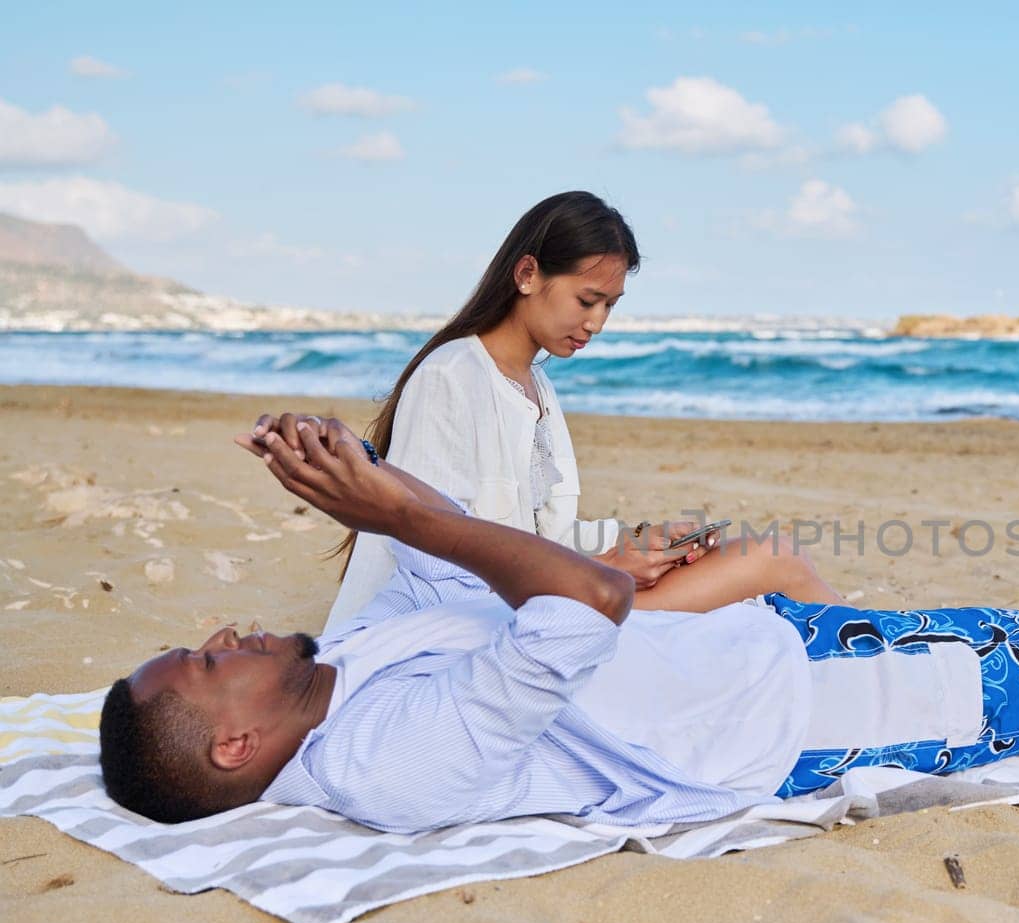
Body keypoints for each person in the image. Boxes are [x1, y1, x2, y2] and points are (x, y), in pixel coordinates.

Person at [99, 413, 1019, 833]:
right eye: (206, 664)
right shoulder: (383, 761)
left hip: (745, 655)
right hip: (771, 715)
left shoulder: (347, 666)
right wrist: (401, 510)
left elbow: (491, 582)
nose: (225, 633)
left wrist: (373, 487)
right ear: (234, 747)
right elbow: (576, 610)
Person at [326, 191, 839, 630]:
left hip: (531, 604)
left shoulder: (535, 386)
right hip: (480, 630)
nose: (597, 323)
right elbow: (436, 559)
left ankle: (882, 657)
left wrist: (636, 542)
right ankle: (892, 657)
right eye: (587, 299)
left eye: (610, 305)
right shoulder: (451, 376)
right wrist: (604, 569)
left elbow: (540, 534)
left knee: (770, 553)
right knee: (773, 559)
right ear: (527, 274)